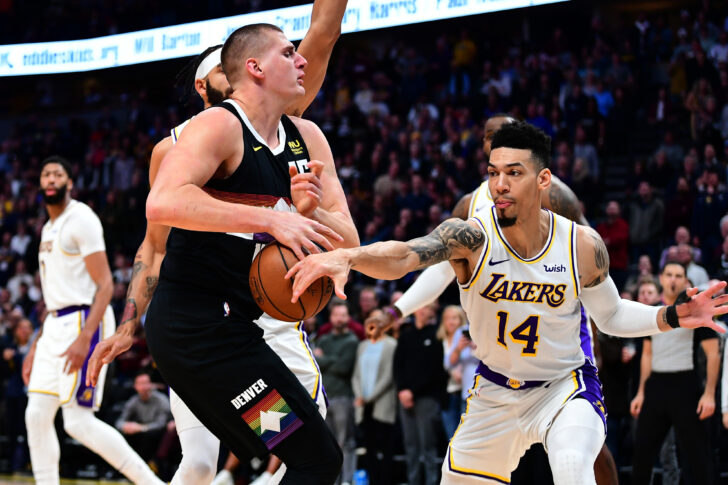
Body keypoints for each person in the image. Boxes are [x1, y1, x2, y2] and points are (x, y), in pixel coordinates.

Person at [285, 121, 728, 485]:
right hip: (495, 391)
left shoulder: (581, 245)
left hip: (564, 386)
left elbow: (610, 314)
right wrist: (350, 256)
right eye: (493, 172)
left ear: (543, 180)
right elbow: (405, 254)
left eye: (513, 173)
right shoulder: (472, 235)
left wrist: (672, 315)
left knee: (575, 466)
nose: (499, 184)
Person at [87, 2, 350, 484]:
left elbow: (325, 33)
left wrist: (307, 214)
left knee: (299, 455)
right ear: (235, 75)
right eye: (287, 53)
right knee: (288, 457)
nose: (300, 62)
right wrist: (128, 324)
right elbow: (158, 221)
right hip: (198, 330)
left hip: (241, 324)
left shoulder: (293, 134)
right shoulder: (207, 130)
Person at [368, 114, 618, 485]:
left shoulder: (556, 194)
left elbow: (586, 258)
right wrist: (398, 308)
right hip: (499, 348)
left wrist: (601, 322)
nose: (494, 140)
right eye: (489, 137)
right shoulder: (470, 207)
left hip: (554, 333)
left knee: (582, 446)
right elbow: (441, 269)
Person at [23, 156, 164, 485]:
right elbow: (54, 296)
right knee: (36, 415)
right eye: (46, 174)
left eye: (58, 173)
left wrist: (86, 337)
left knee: (77, 422)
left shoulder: (81, 218)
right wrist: (36, 344)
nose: (51, 179)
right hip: (55, 324)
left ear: (70, 183)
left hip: (85, 319)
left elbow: (104, 285)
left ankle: (150, 483)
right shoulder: (47, 228)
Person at [629, 261, 719, 484]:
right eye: (669, 274)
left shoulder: (697, 312)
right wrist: (640, 392)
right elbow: (647, 355)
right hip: (656, 385)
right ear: (661, 278)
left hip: (685, 385)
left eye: (678, 275)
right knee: (641, 454)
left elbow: (713, 353)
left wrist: (709, 394)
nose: (673, 279)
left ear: (685, 281)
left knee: (698, 457)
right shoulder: (652, 312)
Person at [314, 299, 359, 485]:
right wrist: (328, 361)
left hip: (343, 397)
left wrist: (324, 359)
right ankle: (332, 480)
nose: (339, 319)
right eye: (336, 315)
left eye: (343, 315)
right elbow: (315, 364)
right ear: (331, 317)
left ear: (348, 317)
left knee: (345, 442)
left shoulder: (352, 340)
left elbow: (343, 367)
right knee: (328, 444)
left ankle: (348, 480)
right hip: (324, 397)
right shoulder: (323, 339)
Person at [352, 310, 397, 485]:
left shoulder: (391, 345)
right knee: (369, 449)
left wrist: (369, 397)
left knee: (385, 448)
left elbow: (388, 376)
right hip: (363, 406)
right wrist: (359, 395)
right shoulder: (362, 345)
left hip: (382, 404)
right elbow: (356, 374)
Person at [116, 372, 172, 465]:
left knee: (149, 436)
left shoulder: (161, 400)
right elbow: (119, 421)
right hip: (140, 432)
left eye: (145, 383)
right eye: (140, 384)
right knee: (123, 435)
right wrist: (126, 426)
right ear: (135, 386)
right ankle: (123, 467)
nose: (143, 387)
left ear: (150, 384)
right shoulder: (133, 401)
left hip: (158, 433)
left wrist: (141, 428)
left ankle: (147, 465)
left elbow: (161, 424)